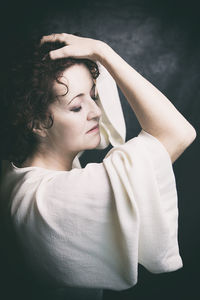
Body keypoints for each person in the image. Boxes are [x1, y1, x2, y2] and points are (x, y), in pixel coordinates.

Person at [0, 32, 196, 299]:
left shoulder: (17, 173)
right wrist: (104, 52)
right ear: (35, 122)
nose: (96, 111)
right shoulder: (50, 199)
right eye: (76, 106)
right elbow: (178, 133)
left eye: (94, 95)